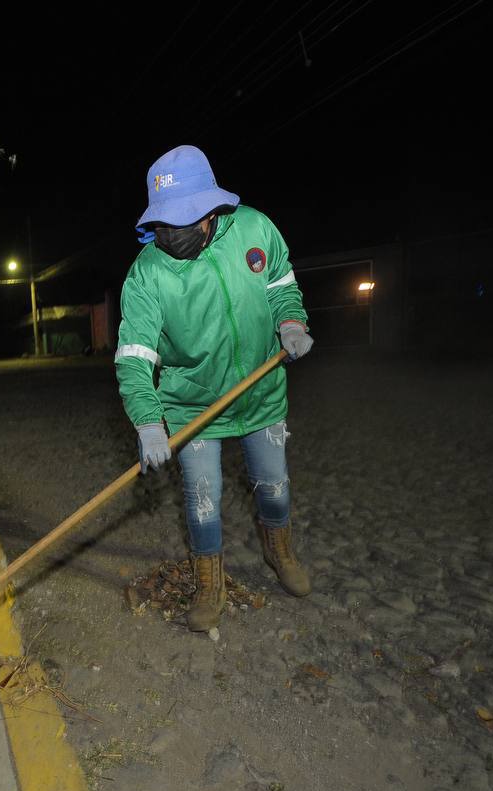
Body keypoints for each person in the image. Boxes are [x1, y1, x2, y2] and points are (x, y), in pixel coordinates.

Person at [115, 145, 315, 633]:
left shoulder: (255, 229)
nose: (172, 234)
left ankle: (279, 549)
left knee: (275, 486)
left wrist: (290, 320)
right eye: (164, 223)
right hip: (192, 406)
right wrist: (148, 421)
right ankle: (209, 581)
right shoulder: (147, 275)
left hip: (261, 393)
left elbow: (281, 283)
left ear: (211, 210)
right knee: (202, 496)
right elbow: (134, 358)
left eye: (184, 220)